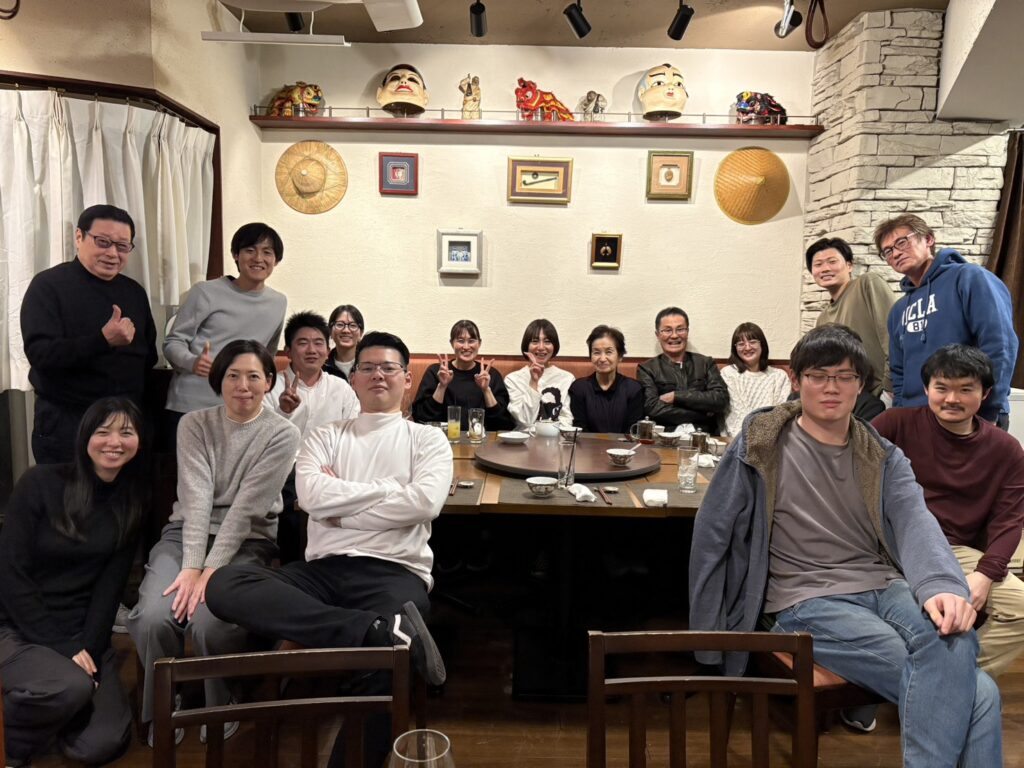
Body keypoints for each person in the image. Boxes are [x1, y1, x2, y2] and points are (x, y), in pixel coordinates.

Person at [689, 324, 1002, 765]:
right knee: (979, 692)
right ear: (796, 379)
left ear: (861, 384)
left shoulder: (881, 454)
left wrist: (941, 585)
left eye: (845, 376)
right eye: (818, 375)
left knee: (955, 640)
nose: (831, 387)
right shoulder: (760, 441)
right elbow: (712, 532)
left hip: (884, 586)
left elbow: (916, 521)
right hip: (803, 598)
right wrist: (707, 636)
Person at [206, 331, 450, 768]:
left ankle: (379, 641)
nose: (378, 375)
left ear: (407, 379)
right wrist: (389, 490)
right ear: (353, 379)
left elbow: (424, 503)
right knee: (225, 584)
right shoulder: (324, 435)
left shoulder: (427, 440)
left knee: (385, 665)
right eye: (367, 368)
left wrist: (342, 514)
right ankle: (373, 631)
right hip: (322, 570)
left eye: (388, 367)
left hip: (394, 571)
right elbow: (311, 497)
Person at [127, 340, 299, 746]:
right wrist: (192, 565)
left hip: (248, 541)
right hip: (186, 533)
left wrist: (210, 571)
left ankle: (221, 701)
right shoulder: (194, 424)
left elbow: (246, 509)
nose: (243, 385)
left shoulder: (282, 433)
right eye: (233, 376)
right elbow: (197, 497)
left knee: (211, 620)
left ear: (269, 382)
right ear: (219, 380)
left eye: (253, 376)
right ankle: (163, 704)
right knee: (152, 615)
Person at [0, 397, 146, 766]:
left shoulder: (131, 502)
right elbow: (11, 575)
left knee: (101, 744)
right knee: (71, 685)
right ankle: (12, 745)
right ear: (85, 437)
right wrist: (64, 649)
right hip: (16, 627)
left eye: (126, 433)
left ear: (139, 441)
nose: (114, 442)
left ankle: (48, 702)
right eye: (103, 431)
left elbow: (109, 591)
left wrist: (89, 651)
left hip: (80, 632)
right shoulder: (39, 482)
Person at [873, 345, 1024, 678]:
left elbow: (1010, 521)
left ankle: (953, 681)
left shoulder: (1006, 449)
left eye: (965, 389)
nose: (952, 399)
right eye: (942, 388)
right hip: (891, 545)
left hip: (954, 552)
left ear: (985, 393)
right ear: (927, 388)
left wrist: (985, 575)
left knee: (1020, 608)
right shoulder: (894, 424)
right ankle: (933, 684)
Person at [20, 204, 157, 464]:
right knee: (66, 489)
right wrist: (103, 340)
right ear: (79, 237)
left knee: (126, 491)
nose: (112, 253)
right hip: (67, 422)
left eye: (122, 246)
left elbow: (147, 356)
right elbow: (41, 354)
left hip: (125, 421)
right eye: (103, 242)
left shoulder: (134, 292)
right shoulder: (48, 286)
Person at [877, 213, 1018, 428]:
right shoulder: (898, 310)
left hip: (969, 416)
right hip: (917, 420)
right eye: (888, 251)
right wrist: (902, 413)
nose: (895, 253)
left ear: (928, 239)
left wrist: (989, 410)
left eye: (902, 242)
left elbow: (1000, 344)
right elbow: (898, 372)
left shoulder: (970, 278)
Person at [162, 223, 288, 446]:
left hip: (240, 409)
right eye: (250, 250)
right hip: (192, 406)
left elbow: (265, 358)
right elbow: (173, 342)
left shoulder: (278, 302)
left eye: (267, 252)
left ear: (276, 260)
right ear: (236, 255)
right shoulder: (205, 291)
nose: (258, 258)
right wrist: (192, 362)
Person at [266, 311, 361, 563]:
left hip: (332, 468)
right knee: (292, 494)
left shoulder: (340, 388)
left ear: (327, 351)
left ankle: (337, 564)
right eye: (303, 343)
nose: (312, 350)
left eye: (319, 343)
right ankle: (294, 566)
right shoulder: (271, 387)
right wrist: (283, 412)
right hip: (286, 470)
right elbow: (261, 441)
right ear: (288, 351)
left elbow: (354, 432)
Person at [807, 237, 895, 397]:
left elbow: (894, 335)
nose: (825, 269)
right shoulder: (822, 318)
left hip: (881, 394)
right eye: (818, 264)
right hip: (847, 398)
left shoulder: (867, 284)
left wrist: (889, 389)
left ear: (849, 265)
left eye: (832, 261)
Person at [637, 307, 728, 434]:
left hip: (704, 436)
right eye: (667, 330)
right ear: (658, 335)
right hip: (665, 436)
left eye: (680, 329)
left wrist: (676, 396)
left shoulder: (705, 363)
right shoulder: (647, 368)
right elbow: (652, 408)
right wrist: (704, 414)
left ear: (687, 332)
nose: (674, 335)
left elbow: (720, 399)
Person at [411, 319, 513, 432]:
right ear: (452, 343)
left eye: (471, 341)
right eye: (460, 341)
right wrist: (441, 386)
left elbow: (504, 424)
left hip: (481, 440)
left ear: (479, 343)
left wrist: (486, 390)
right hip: (443, 438)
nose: (466, 346)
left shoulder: (490, 375)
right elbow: (421, 418)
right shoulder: (437, 372)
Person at [720, 322, 791, 437]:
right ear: (735, 348)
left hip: (771, 439)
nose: (747, 347)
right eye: (741, 344)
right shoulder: (728, 373)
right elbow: (734, 415)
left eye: (752, 342)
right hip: (735, 439)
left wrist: (764, 438)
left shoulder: (779, 376)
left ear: (762, 345)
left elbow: (780, 415)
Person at [568, 325, 643, 433]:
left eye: (609, 352)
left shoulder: (634, 389)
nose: (602, 359)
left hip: (625, 444)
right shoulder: (579, 388)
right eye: (596, 352)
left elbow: (633, 432)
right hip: (586, 444)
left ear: (620, 356)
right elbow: (580, 430)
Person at [505, 318, 575, 430]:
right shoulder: (513, 379)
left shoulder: (567, 378)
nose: (541, 347)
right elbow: (526, 421)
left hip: (556, 439)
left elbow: (566, 419)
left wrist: (550, 435)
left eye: (547, 341)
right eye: (535, 341)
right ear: (526, 345)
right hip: (523, 439)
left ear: (554, 345)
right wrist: (534, 382)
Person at [325, 304, 365, 380]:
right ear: (330, 331)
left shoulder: (369, 363)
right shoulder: (322, 365)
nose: (346, 330)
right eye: (340, 325)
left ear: (361, 333)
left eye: (353, 325)